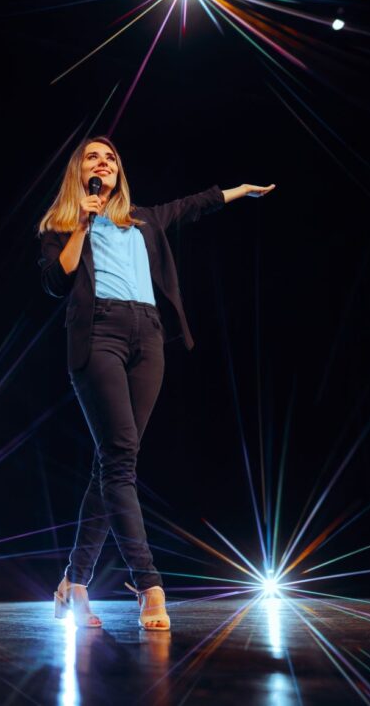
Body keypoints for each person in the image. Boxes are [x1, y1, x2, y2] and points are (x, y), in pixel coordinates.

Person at [37, 136, 275, 630]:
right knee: (120, 459)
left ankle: (73, 585)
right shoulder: (59, 224)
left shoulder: (143, 219)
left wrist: (238, 191)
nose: (103, 163)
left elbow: (192, 206)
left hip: (148, 336)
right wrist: (81, 223)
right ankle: (149, 585)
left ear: (118, 170)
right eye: (92, 158)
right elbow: (57, 282)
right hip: (97, 334)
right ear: (78, 173)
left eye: (110, 157)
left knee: (115, 463)